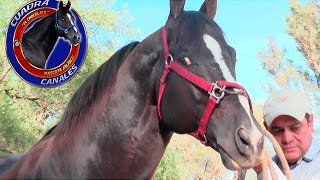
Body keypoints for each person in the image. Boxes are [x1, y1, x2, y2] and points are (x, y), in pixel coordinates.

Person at [254, 89, 320, 179]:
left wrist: (264, 170)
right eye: (278, 130)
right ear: (267, 130)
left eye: (295, 128)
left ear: (310, 123)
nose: (287, 139)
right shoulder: (271, 163)